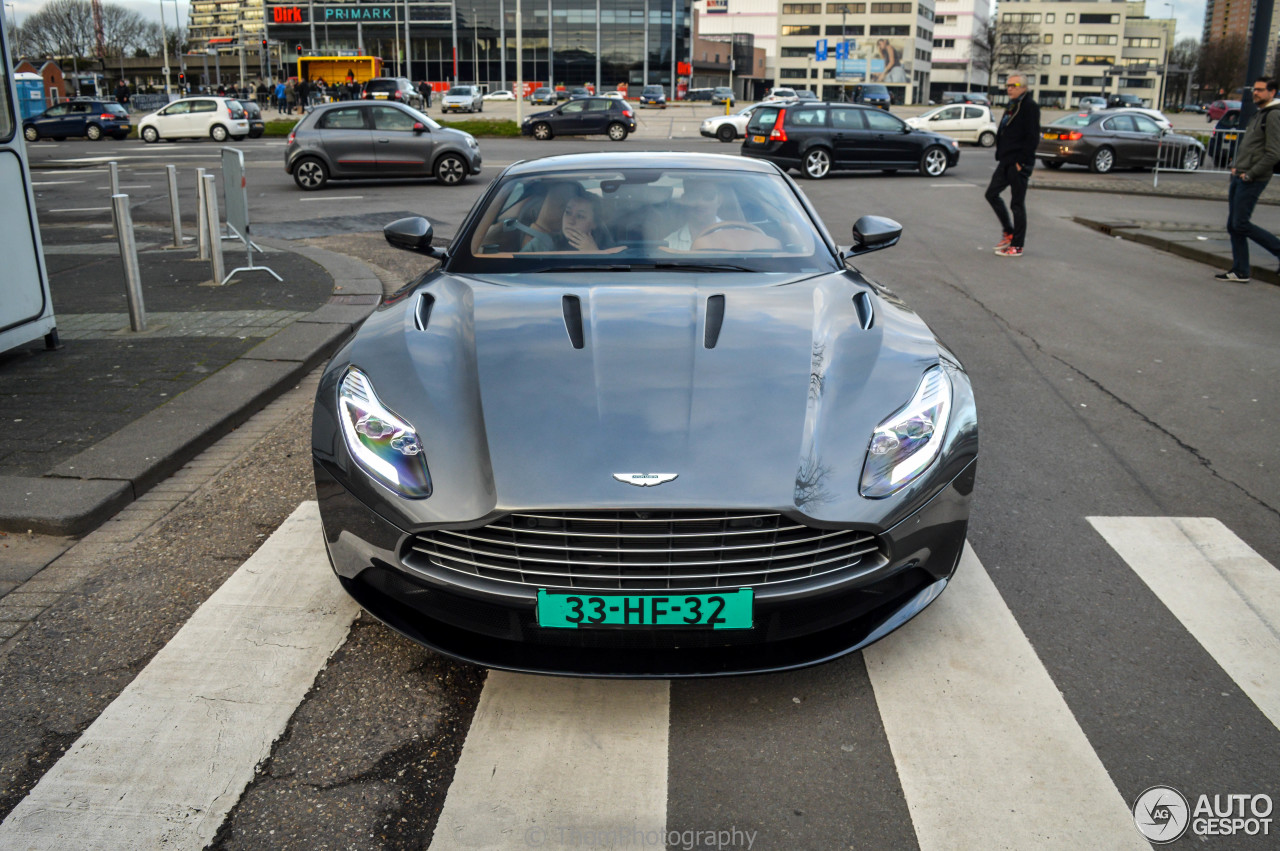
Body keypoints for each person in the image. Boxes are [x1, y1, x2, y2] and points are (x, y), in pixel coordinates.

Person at [1216, 76, 1280, 283]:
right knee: (1233, 225)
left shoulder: (1273, 115)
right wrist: (1235, 166)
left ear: (1272, 92)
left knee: (1241, 223)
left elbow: (1273, 153)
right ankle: (1240, 270)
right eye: (1255, 89)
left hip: (1253, 178)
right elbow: (1251, 146)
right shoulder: (1259, 113)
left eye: (1261, 90)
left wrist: (1250, 173)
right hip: (1240, 174)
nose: (1256, 93)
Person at [986, 74, 1040, 257]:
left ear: (1023, 87)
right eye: (1007, 85)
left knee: (1017, 203)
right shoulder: (1012, 105)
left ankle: (1017, 245)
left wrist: (1022, 161)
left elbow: (1032, 136)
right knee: (991, 194)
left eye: (1014, 85)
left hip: (1018, 162)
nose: (1009, 88)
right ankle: (1008, 232)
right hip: (1006, 160)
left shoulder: (1029, 107)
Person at [521, 188, 608, 252]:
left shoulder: (607, 246)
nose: (571, 221)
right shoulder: (541, 244)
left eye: (580, 216)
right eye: (568, 212)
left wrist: (594, 253)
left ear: (594, 224)